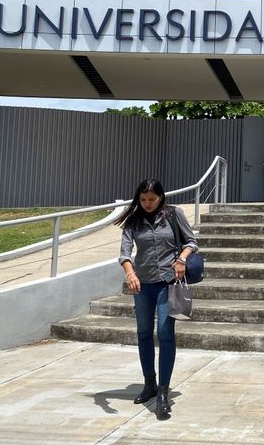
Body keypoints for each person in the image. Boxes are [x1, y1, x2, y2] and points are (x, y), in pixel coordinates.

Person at [117, 179, 198, 418]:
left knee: (164, 333)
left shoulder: (174, 215)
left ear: (161, 197)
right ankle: (149, 383)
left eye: (152, 199)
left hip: (168, 282)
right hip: (142, 284)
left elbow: (192, 242)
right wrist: (130, 273)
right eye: (143, 200)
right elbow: (124, 253)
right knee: (143, 333)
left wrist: (182, 259)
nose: (147, 204)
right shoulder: (133, 220)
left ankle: (163, 391)